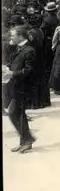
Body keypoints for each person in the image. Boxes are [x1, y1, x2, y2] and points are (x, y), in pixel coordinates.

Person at [3, 25, 37, 153]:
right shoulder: (19, 48)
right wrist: (7, 68)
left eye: (13, 35)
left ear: (20, 36)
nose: (11, 37)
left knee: (15, 113)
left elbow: (29, 70)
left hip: (24, 87)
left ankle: (26, 140)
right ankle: (26, 140)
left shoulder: (29, 50)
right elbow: (15, 63)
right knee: (17, 113)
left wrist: (13, 73)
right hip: (16, 86)